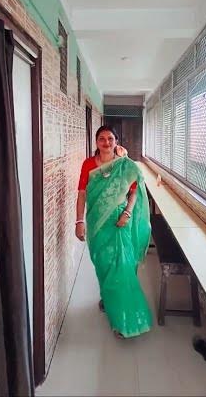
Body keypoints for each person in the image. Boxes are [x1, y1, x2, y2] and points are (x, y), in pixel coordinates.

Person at [75, 125, 153, 339]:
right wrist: (79, 221)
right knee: (102, 264)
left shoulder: (125, 165)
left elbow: (134, 191)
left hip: (118, 221)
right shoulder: (88, 164)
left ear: (116, 141)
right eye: (102, 138)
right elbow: (81, 194)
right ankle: (109, 298)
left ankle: (123, 321)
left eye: (110, 138)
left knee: (121, 267)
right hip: (96, 222)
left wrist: (127, 213)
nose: (106, 142)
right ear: (96, 142)